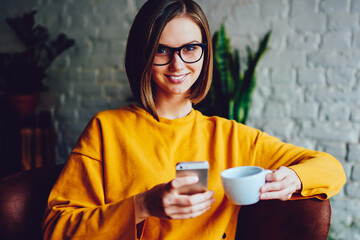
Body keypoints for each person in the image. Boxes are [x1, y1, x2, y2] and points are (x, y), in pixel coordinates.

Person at [42, 0, 346, 239]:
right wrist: (143, 206)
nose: (177, 64)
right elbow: (56, 228)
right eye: (162, 50)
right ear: (143, 53)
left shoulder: (230, 136)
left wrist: (293, 178)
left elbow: (330, 168)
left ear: (205, 53)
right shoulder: (106, 129)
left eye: (189, 48)